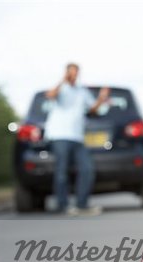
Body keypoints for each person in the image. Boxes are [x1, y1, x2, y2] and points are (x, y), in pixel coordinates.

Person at [44, 63, 110, 214]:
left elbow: (93, 109)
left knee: (87, 168)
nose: (74, 75)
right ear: (67, 73)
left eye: (76, 72)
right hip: (59, 135)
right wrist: (63, 80)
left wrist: (101, 98)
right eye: (71, 72)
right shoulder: (62, 88)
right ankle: (63, 205)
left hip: (77, 137)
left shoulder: (82, 91)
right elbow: (50, 95)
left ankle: (82, 204)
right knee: (62, 170)